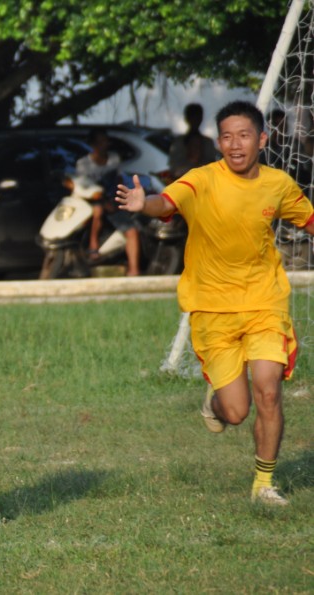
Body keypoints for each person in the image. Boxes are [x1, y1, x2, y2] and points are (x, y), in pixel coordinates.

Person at [116, 100, 314, 506]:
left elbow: (308, 220)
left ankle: (263, 485)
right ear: (218, 142)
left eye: (244, 135)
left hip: (264, 303)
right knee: (238, 412)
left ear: (262, 138)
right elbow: (165, 204)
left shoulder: (278, 185)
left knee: (269, 390)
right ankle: (217, 402)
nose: (235, 144)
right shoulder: (200, 180)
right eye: (227, 136)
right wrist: (144, 203)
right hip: (212, 310)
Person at [77, 129, 141, 276]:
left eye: (106, 141)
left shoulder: (113, 158)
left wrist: (115, 199)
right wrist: (102, 200)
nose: (105, 144)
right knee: (98, 210)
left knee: (132, 230)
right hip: (93, 202)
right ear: (93, 145)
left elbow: (118, 180)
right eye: (101, 141)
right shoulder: (83, 164)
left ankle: (134, 270)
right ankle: (94, 244)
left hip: (112, 201)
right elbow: (84, 188)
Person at [168, 103, 217, 179]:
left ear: (201, 118)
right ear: (187, 118)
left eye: (197, 117)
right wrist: (191, 161)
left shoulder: (208, 142)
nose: (195, 120)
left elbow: (212, 169)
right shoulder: (179, 143)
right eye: (193, 117)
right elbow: (175, 171)